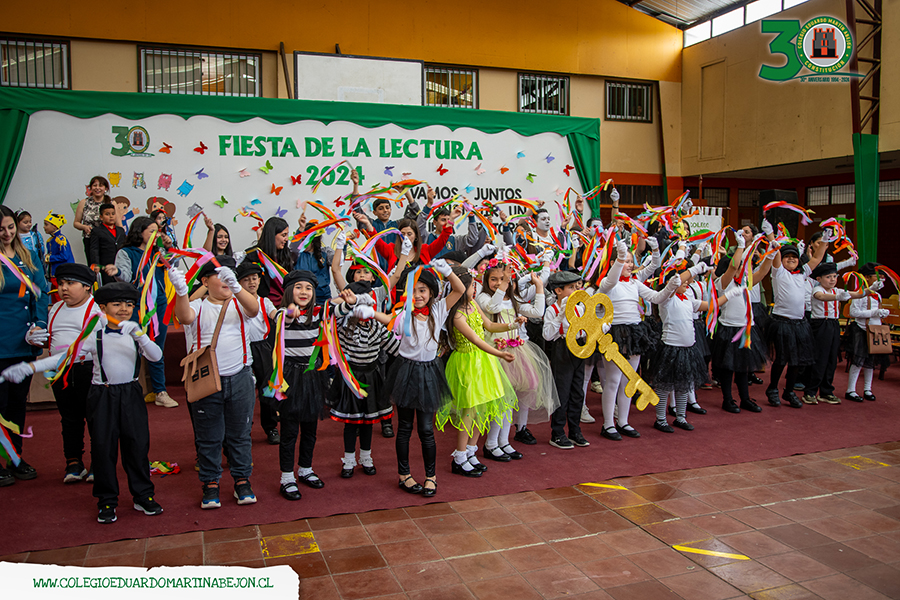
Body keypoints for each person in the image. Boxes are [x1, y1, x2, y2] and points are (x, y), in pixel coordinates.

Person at [3, 282, 164, 524]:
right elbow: (62, 358)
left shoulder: (135, 334)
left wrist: (139, 334)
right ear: (102, 308)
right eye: (117, 304)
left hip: (130, 394)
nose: (124, 309)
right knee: (103, 449)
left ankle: (143, 495)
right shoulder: (94, 337)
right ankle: (107, 499)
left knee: (137, 446)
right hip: (102, 396)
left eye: (129, 304)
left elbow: (156, 356)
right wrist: (29, 367)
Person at [170, 256, 261, 509]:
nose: (224, 280)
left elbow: (253, 309)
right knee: (208, 437)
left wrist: (237, 286)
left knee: (240, 435)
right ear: (205, 281)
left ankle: (242, 481)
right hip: (206, 380)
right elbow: (185, 317)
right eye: (219, 276)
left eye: (228, 275)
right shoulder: (198, 306)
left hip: (240, 377)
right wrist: (180, 292)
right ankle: (210, 483)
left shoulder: (239, 303)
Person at [373, 261, 464, 497]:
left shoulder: (438, 310)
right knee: (404, 427)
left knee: (426, 429)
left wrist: (447, 271)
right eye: (413, 291)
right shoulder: (403, 314)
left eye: (422, 290)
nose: (418, 295)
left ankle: (431, 477)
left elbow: (460, 290)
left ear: (431, 292)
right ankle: (404, 475)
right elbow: (387, 320)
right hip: (405, 372)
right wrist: (370, 313)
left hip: (429, 372)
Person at [272, 270, 353, 500]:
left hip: (312, 376)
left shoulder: (319, 313)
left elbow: (337, 310)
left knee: (310, 429)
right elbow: (285, 316)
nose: (304, 292)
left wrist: (348, 302)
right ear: (289, 291)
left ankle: (305, 468)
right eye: (298, 287)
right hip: (289, 377)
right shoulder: (282, 313)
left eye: (308, 288)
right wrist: (290, 311)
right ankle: (286, 477)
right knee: (289, 430)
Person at [595, 239, 682, 440]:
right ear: (615, 263)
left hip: (635, 334)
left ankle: (623, 421)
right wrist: (620, 257)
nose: (630, 264)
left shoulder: (634, 283)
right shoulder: (608, 283)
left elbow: (657, 298)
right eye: (625, 261)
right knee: (613, 380)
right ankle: (608, 424)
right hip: (615, 334)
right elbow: (612, 279)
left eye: (630, 261)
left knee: (629, 380)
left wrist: (670, 286)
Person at [24, 263, 102, 483]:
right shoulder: (55, 309)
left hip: (88, 370)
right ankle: (73, 461)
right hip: (60, 372)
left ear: (87, 287)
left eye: (71, 284)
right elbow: (50, 337)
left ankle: (99, 461)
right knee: (69, 418)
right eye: (61, 284)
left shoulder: (97, 310)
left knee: (95, 418)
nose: (64, 288)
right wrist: (34, 338)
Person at [437, 266, 517, 477]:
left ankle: (472, 452)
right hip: (467, 364)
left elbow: (489, 325)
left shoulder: (472, 305)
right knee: (469, 411)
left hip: (482, 363)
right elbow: (476, 340)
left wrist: (512, 325)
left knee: (481, 408)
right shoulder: (456, 315)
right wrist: (500, 354)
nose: (475, 289)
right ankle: (460, 456)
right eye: (472, 285)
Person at [477, 263, 559, 454]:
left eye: (503, 279)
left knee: (510, 401)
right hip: (495, 355)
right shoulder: (483, 297)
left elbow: (538, 312)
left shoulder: (514, 301)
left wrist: (539, 286)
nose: (499, 283)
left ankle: (504, 441)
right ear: (486, 281)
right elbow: (493, 307)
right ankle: (491, 443)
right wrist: (504, 286)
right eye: (494, 279)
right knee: (501, 401)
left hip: (515, 354)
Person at [652, 265, 741, 432]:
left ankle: (680, 417)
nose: (687, 282)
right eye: (683, 280)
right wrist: (696, 268)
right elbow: (675, 281)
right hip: (671, 348)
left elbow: (710, 306)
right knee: (665, 386)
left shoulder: (688, 300)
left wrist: (728, 295)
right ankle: (661, 419)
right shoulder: (666, 299)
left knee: (683, 384)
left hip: (687, 348)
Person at [328, 281, 399, 479]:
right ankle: (349, 458)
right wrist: (348, 301)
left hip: (372, 377)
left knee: (369, 420)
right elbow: (330, 310)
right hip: (351, 378)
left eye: (368, 304)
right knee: (351, 422)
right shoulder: (342, 325)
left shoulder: (376, 326)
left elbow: (394, 347)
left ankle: (366, 457)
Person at [0, 205, 49, 486]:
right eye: (1, 229)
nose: (7, 234)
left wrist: (39, 325)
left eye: (10, 227)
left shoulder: (27, 256)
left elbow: (41, 295)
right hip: (0, 343)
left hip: (23, 343)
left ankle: (15, 457)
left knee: (17, 404)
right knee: (0, 403)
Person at [113, 216, 177, 407]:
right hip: (135, 307)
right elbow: (124, 276)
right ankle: (129, 390)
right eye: (151, 231)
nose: (155, 234)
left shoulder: (158, 253)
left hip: (159, 306)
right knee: (132, 349)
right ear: (139, 232)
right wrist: (116, 272)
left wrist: (169, 245)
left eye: (157, 231)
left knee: (157, 348)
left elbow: (174, 264)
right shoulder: (126, 252)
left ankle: (160, 392)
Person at [711, 237, 770, 414]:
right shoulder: (722, 283)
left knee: (744, 367)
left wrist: (771, 253)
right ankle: (727, 400)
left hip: (747, 328)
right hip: (729, 328)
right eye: (738, 268)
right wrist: (742, 246)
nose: (741, 270)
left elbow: (763, 272)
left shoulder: (745, 282)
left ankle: (745, 399)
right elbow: (733, 267)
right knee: (728, 368)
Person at [764, 239, 824, 408]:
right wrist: (775, 245)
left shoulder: (802, 273)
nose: (791, 259)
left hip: (800, 324)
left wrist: (825, 240)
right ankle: (773, 389)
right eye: (787, 257)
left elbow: (817, 258)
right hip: (782, 322)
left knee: (797, 360)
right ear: (782, 260)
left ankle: (789, 391)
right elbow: (775, 257)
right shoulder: (779, 272)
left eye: (794, 257)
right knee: (781, 359)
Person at [804, 262, 866, 405]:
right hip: (821, 324)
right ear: (819, 279)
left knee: (832, 358)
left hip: (833, 324)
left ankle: (826, 391)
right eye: (828, 277)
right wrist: (839, 297)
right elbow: (821, 297)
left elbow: (857, 294)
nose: (832, 280)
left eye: (834, 276)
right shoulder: (817, 289)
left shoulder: (836, 290)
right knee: (820, 357)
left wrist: (871, 290)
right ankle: (810, 391)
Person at [543, 270, 590, 449]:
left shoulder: (580, 308)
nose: (575, 290)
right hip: (562, 349)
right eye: (571, 287)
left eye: (576, 286)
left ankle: (575, 430)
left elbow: (586, 328)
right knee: (562, 392)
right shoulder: (552, 310)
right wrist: (561, 315)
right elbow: (547, 335)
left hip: (579, 348)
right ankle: (557, 432)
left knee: (577, 391)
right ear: (558, 291)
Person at [236, 261, 280, 445]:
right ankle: (242, 429)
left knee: (267, 388)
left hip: (262, 347)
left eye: (254, 278)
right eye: (246, 280)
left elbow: (274, 314)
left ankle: (270, 427)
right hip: (240, 348)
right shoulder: (234, 302)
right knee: (241, 390)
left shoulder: (264, 301)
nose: (252, 282)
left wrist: (283, 315)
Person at [843, 262, 891, 402]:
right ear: (866, 278)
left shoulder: (878, 296)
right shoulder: (860, 293)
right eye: (876, 277)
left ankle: (867, 389)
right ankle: (851, 389)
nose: (880, 281)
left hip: (875, 330)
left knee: (871, 362)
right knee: (858, 360)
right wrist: (874, 312)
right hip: (862, 329)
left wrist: (881, 314)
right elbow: (854, 312)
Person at [244, 217, 296, 305]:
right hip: (262, 306)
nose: (286, 239)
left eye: (287, 235)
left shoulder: (286, 255)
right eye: (283, 235)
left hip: (285, 305)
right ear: (272, 235)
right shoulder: (254, 255)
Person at [74, 175, 112, 260]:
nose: (97, 188)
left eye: (100, 185)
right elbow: (76, 223)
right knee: (93, 266)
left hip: (107, 240)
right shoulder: (84, 202)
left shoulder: (111, 203)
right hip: (90, 240)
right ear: (90, 188)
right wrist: (84, 227)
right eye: (95, 185)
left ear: (105, 188)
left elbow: (118, 225)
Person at [89, 203, 124, 285]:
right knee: (108, 285)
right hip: (105, 264)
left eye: (113, 214)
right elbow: (94, 248)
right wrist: (96, 264)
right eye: (107, 214)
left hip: (120, 263)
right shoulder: (97, 231)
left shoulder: (120, 230)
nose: (111, 216)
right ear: (101, 217)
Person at [44, 211, 75, 298]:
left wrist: (50, 258)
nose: (44, 227)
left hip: (62, 273)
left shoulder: (61, 239)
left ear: (54, 226)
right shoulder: (50, 240)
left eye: (46, 224)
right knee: (54, 295)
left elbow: (65, 256)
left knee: (60, 296)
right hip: (54, 274)